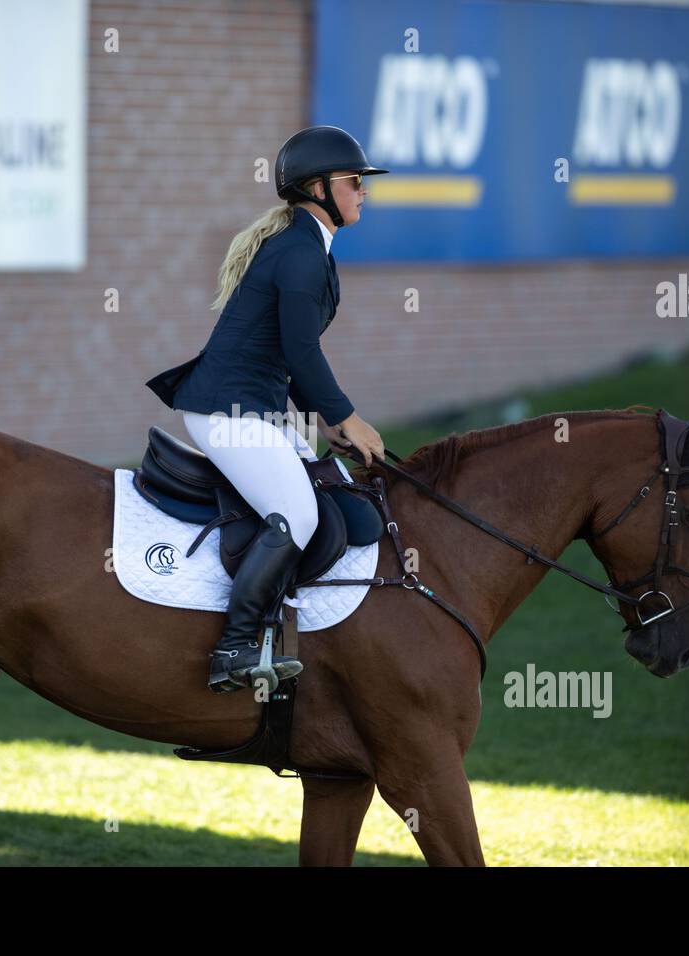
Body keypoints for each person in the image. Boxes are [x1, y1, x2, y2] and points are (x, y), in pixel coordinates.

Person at [145, 125, 388, 693]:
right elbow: (302, 354)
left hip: (254, 408)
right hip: (225, 412)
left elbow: (290, 356)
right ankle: (234, 647)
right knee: (297, 514)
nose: (363, 191)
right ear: (319, 188)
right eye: (355, 181)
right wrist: (347, 418)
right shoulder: (300, 253)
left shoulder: (313, 249)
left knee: (328, 490)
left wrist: (333, 426)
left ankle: (288, 627)